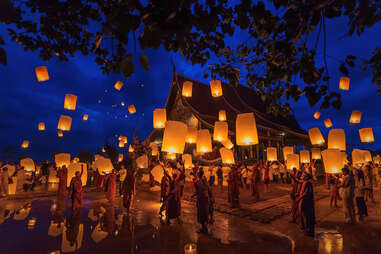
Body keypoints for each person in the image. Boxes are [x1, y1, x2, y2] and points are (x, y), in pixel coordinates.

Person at [297, 172, 315, 237]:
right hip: (303, 200)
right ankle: (305, 228)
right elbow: (298, 180)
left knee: (305, 216)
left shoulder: (308, 183)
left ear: (307, 177)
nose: (302, 176)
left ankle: (307, 230)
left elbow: (306, 192)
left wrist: (300, 198)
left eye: (303, 175)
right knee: (302, 214)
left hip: (305, 201)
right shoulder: (304, 182)